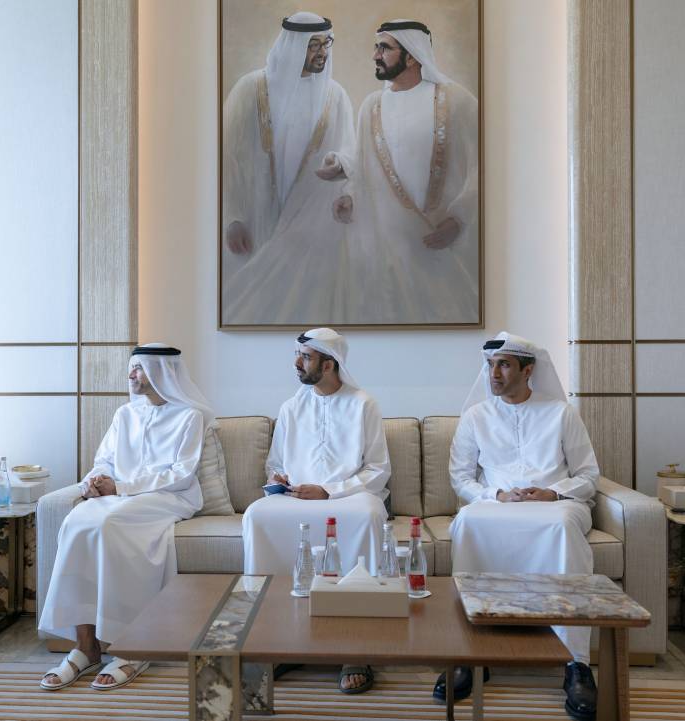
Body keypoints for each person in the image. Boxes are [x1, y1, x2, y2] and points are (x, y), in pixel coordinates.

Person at [438, 332, 599, 721]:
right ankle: (468, 655)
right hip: (498, 503)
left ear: (528, 371)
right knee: (468, 521)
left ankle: (576, 662)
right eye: (490, 365)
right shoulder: (476, 416)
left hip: (556, 505)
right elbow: (461, 478)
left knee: (562, 526)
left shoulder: (561, 413)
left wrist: (553, 492)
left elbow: (588, 476)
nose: (493, 373)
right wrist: (495, 494)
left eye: (504, 365)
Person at [39, 345, 214, 691]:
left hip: (168, 496)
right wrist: (94, 482)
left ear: (161, 371)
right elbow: (104, 460)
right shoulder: (125, 414)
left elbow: (180, 474)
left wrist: (121, 487)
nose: (130, 375)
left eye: (138, 368)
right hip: (121, 497)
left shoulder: (189, 416)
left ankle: (132, 647)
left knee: (110, 524)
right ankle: (86, 646)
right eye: (131, 368)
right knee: (77, 520)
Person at [242, 327, 390, 693]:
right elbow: (275, 462)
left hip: (350, 497)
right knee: (257, 515)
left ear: (329, 364)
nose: (297, 363)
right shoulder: (291, 407)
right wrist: (278, 477)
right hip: (297, 497)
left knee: (368, 516)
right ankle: (277, 640)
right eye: (297, 355)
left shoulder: (363, 404)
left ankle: (356, 648)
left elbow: (377, 469)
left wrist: (329, 491)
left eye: (305, 357)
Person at [318, 19, 479, 325]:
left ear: (412, 56)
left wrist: (459, 219)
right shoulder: (372, 105)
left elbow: (482, 168)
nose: (375, 55)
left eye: (384, 48)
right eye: (376, 47)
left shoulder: (457, 101)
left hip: (440, 241)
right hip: (386, 247)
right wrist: (350, 196)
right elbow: (364, 165)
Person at [222, 12, 356, 324]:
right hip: (253, 218)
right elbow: (224, 157)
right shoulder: (251, 89)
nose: (322, 52)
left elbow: (351, 151)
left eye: (326, 44)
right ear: (293, 45)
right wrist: (231, 217)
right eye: (313, 45)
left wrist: (340, 164)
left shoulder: (335, 96)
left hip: (308, 227)